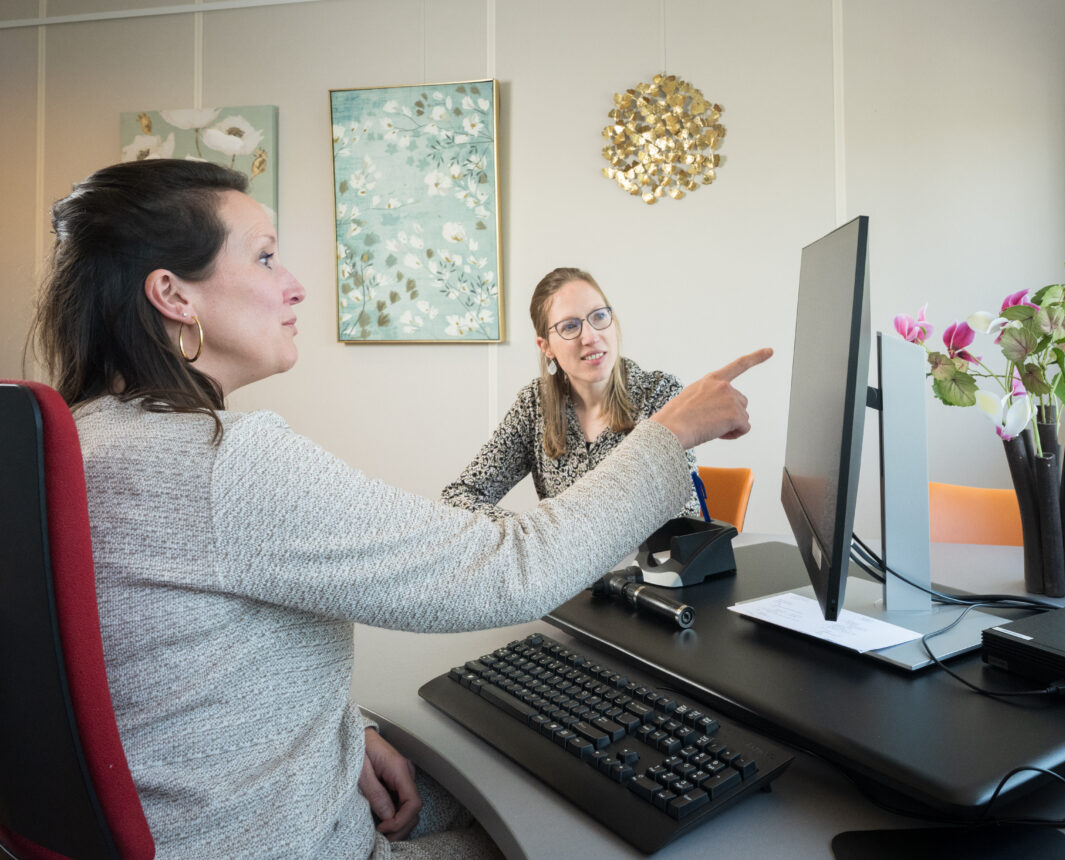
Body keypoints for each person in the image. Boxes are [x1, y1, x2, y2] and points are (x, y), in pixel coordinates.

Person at [28, 158, 772, 859]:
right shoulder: (225, 461)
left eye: (599, 317)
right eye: (264, 258)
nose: (295, 286)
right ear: (174, 295)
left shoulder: (77, 443)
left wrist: (341, 734)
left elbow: (166, 676)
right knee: (568, 830)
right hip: (283, 839)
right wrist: (670, 433)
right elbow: (509, 568)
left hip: (214, 819)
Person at [442, 267, 700, 518]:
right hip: (563, 562)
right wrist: (535, 533)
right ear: (546, 347)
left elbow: (684, 514)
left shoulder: (661, 395)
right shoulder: (535, 405)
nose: (590, 336)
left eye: (599, 316)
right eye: (569, 326)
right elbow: (459, 497)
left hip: (645, 563)